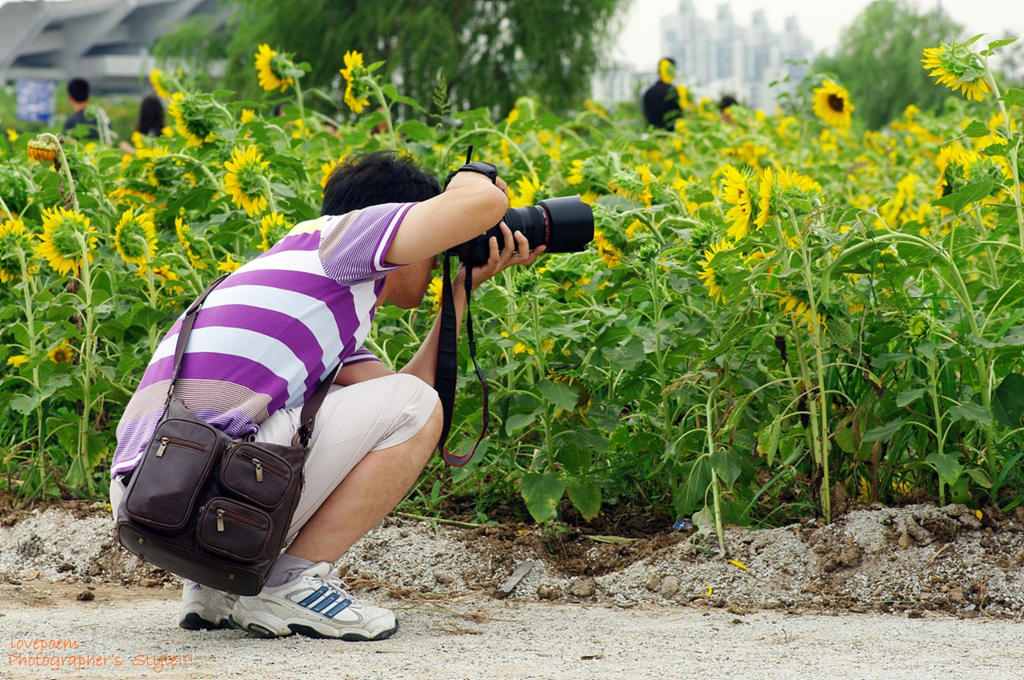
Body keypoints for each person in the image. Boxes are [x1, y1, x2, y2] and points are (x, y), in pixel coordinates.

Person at [109, 150, 543, 640]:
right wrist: (472, 178)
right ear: (397, 225)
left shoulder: (305, 284)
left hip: (155, 491)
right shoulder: (343, 240)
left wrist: (459, 293)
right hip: (196, 482)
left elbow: (400, 402)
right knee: (413, 407)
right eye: (437, 242)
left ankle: (212, 588)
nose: (440, 255)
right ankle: (292, 585)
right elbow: (415, 406)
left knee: (403, 405)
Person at [642, 57, 681, 130]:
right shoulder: (676, 93)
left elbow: (644, 116)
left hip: (653, 136)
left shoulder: (648, 92)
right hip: (674, 137)